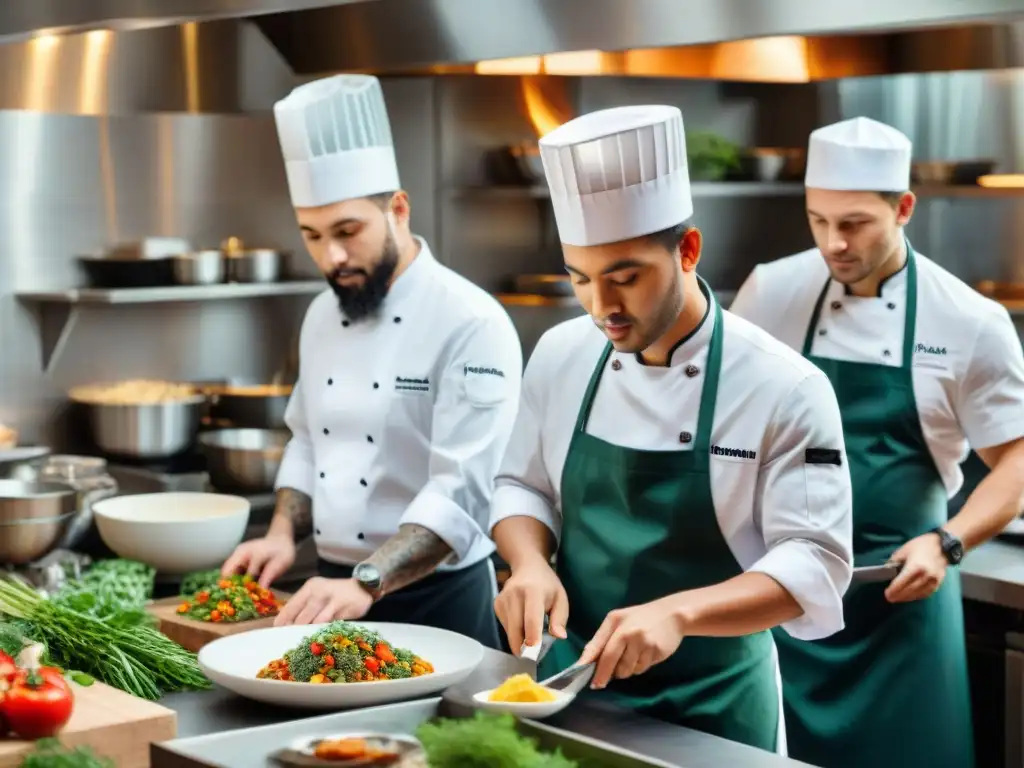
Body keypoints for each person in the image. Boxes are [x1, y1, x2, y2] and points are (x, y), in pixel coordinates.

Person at [489, 104, 854, 754]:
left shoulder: (785, 386)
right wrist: (526, 563)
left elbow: (814, 563)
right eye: (582, 280)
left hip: (713, 708)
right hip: (570, 688)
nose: (603, 308)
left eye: (626, 278)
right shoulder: (560, 353)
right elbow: (522, 484)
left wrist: (680, 613)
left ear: (687, 250)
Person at [729, 116, 1024, 768]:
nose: (834, 242)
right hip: (785, 591)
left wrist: (949, 543)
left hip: (901, 593)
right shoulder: (771, 291)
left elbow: (1018, 461)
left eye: (856, 222)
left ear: (905, 208)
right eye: (818, 220)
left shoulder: (970, 321)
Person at [221, 74, 523, 649]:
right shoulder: (319, 315)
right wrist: (282, 533)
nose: (331, 257)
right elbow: (308, 439)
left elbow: (463, 490)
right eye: (311, 235)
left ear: (399, 210)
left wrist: (369, 578)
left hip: (438, 599)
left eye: (348, 231)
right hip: (332, 591)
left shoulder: (471, 322)